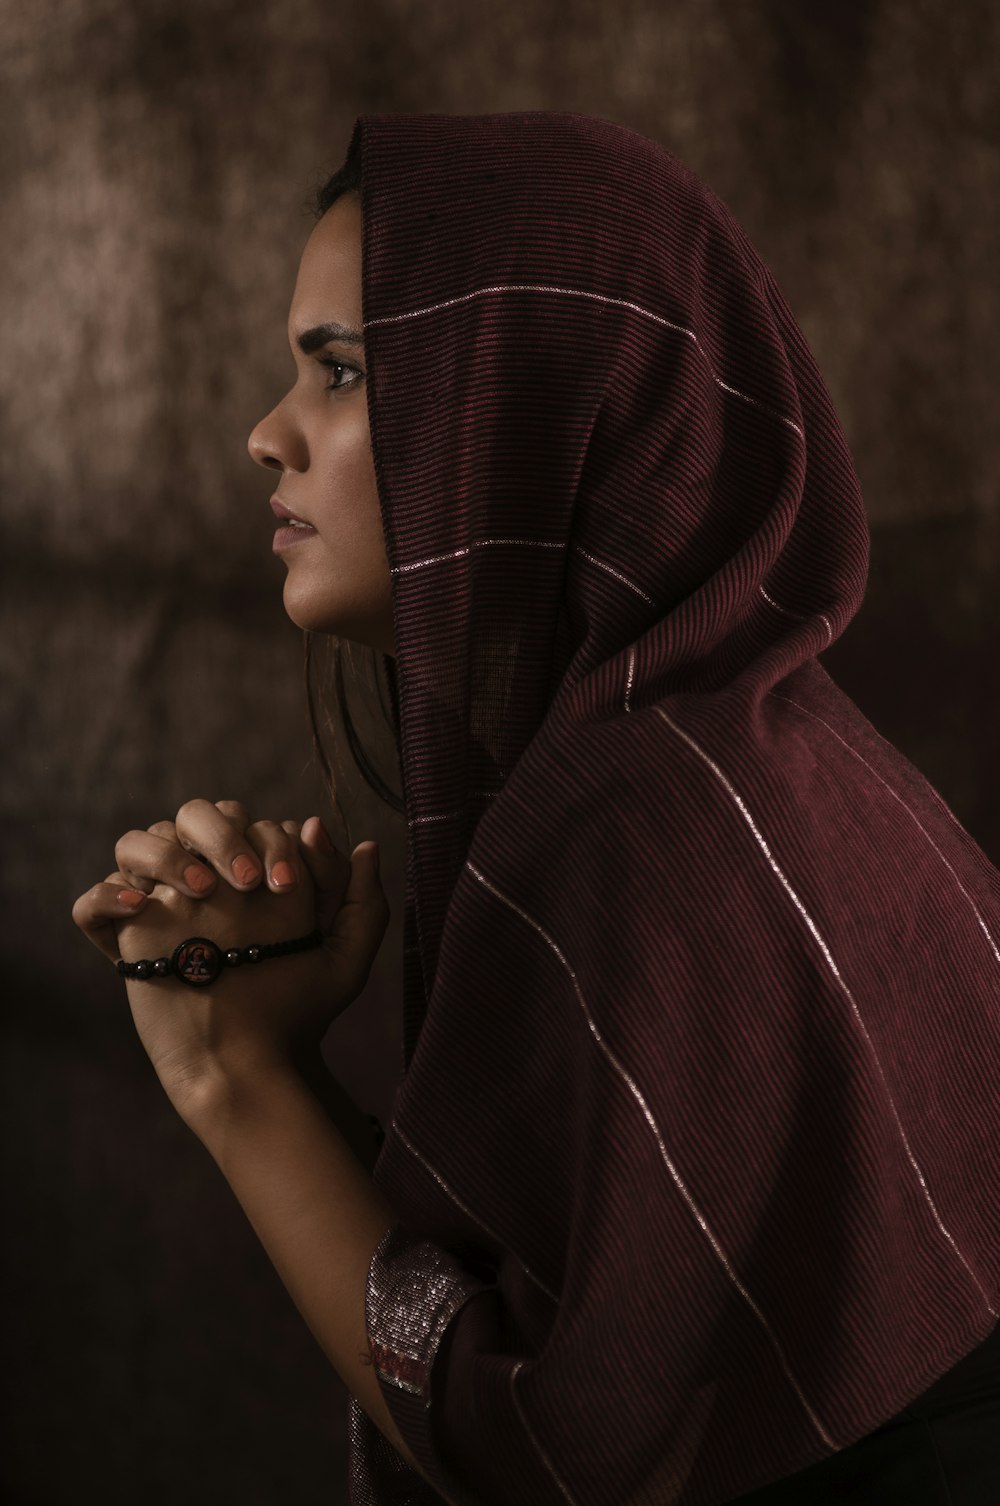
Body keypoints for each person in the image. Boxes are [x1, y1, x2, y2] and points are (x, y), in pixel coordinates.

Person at [71, 112, 999, 1506]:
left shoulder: (660, 821)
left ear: (524, 403)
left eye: (339, 373)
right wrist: (266, 1044)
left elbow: (551, 1456)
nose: (267, 436)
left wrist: (237, 1080)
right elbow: (549, 1302)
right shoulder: (741, 755)